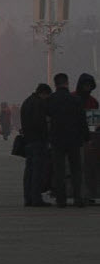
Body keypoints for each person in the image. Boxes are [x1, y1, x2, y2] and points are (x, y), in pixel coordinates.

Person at [47, 73, 89, 208]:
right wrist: (86, 137)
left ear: (55, 84)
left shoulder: (51, 99)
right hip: (74, 140)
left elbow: (47, 118)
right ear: (67, 83)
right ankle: (78, 198)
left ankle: (61, 199)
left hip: (57, 140)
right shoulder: (75, 99)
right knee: (76, 170)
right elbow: (82, 121)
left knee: (59, 171)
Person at [20, 83, 52, 207]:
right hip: (38, 141)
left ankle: (28, 198)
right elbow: (40, 124)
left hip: (28, 141)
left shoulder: (27, 102)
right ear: (43, 93)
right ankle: (36, 198)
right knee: (37, 171)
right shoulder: (38, 104)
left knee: (29, 171)